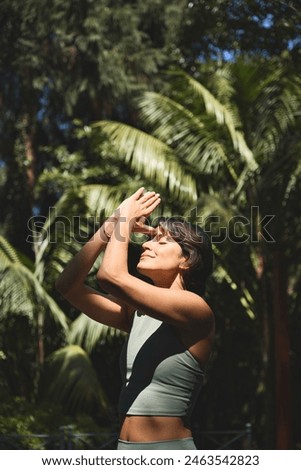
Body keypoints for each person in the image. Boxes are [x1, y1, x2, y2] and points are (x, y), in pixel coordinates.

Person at [56, 187, 215, 450]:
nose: (145, 243)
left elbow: (111, 277)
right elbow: (67, 286)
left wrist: (125, 222)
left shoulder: (195, 309)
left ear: (187, 260)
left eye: (161, 241)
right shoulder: (137, 313)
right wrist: (110, 226)